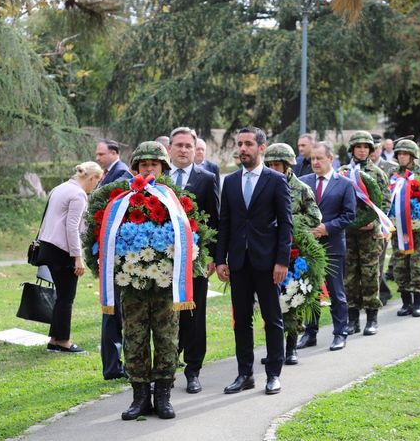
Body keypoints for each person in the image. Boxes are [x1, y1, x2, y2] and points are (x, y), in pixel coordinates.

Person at [215, 127, 293, 395]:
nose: (243, 149)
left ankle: (273, 374)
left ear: (262, 147)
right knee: (242, 321)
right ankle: (244, 374)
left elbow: (286, 224)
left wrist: (282, 261)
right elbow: (224, 222)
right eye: (240, 144)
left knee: (272, 319)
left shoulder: (276, 180)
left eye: (249, 144)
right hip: (238, 262)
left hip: (268, 262)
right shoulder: (232, 181)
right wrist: (220, 258)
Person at [118, 141, 181, 420]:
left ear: (163, 167)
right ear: (136, 169)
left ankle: (164, 396)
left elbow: (189, 236)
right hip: (132, 284)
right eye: (144, 165)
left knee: (167, 339)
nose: (149, 169)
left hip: (166, 284)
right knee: (134, 338)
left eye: (154, 164)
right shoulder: (121, 199)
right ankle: (139, 397)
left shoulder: (175, 197)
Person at [168, 127, 220, 394]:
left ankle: (193, 370)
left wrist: (212, 256)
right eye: (179, 145)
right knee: (167, 314)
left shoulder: (207, 178)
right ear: (170, 148)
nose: (184, 150)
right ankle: (166, 365)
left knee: (195, 315)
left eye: (189, 145)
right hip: (163, 262)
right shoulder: (159, 177)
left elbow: (214, 219)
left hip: (196, 261)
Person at [262, 143, 321, 364]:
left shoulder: (301, 188)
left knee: (292, 297)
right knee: (270, 301)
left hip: (294, 251)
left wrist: (288, 222)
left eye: (277, 164)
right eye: (270, 164)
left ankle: (291, 347)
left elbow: (316, 217)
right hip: (267, 250)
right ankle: (273, 349)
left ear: (287, 165)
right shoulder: (263, 185)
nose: (273, 168)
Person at [39, 161, 103, 354]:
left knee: (61, 297)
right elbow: (72, 228)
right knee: (67, 298)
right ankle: (64, 341)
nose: (96, 187)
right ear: (92, 178)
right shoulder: (78, 194)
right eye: (97, 182)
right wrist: (78, 257)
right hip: (62, 250)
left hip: (48, 246)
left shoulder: (60, 188)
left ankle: (54, 340)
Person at [298, 141, 356, 351]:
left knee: (335, 291)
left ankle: (340, 332)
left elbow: (349, 215)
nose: (315, 162)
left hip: (332, 245)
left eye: (319, 158)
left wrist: (327, 228)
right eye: (312, 158)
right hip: (309, 246)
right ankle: (310, 332)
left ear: (330, 159)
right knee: (309, 290)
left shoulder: (345, 184)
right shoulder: (303, 182)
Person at [338, 131, 390, 335]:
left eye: (365, 147)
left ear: (370, 150)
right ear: (352, 149)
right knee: (350, 276)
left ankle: (371, 318)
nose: (362, 150)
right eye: (358, 147)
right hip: (348, 233)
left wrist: (374, 220)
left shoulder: (377, 173)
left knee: (370, 274)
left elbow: (385, 202)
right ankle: (353, 319)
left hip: (370, 233)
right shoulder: (342, 172)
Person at [94, 140, 132, 380]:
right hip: (108, 254)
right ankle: (112, 367)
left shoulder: (122, 175)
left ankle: (117, 365)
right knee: (111, 313)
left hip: (119, 255)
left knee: (118, 314)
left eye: (101, 153)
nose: (97, 157)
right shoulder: (109, 174)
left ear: (114, 153)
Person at [392, 139, 420, 317]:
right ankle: (406, 302)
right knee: (400, 265)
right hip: (399, 229)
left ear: (412, 155)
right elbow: (387, 198)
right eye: (399, 154)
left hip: (418, 230)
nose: (402, 157)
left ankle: (418, 302)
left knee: (417, 265)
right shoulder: (393, 173)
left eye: (405, 154)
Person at [370, 139, 399, 305]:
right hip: (364, 221)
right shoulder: (357, 168)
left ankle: (379, 294)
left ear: (381, 149)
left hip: (385, 220)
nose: (373, 152)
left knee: (379, 258)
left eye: (375, 149)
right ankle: (382, 291)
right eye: (370, 149)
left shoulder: (390, 168)